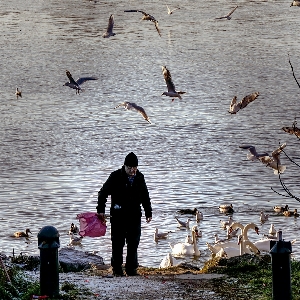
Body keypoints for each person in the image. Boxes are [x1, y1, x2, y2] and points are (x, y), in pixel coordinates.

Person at [96, 152, 152, 276]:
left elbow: (145, 196)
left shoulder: (140, 177)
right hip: (118, 216)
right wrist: (101, 210)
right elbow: (102, 194)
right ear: (124, 166)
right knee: (117, 243)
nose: (132, 170)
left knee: (133, 243)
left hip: (134, 216)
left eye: (135, 167)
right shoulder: (115, 176)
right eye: (130, 168)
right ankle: (117, 269)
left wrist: (148, 212)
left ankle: (131, 269)